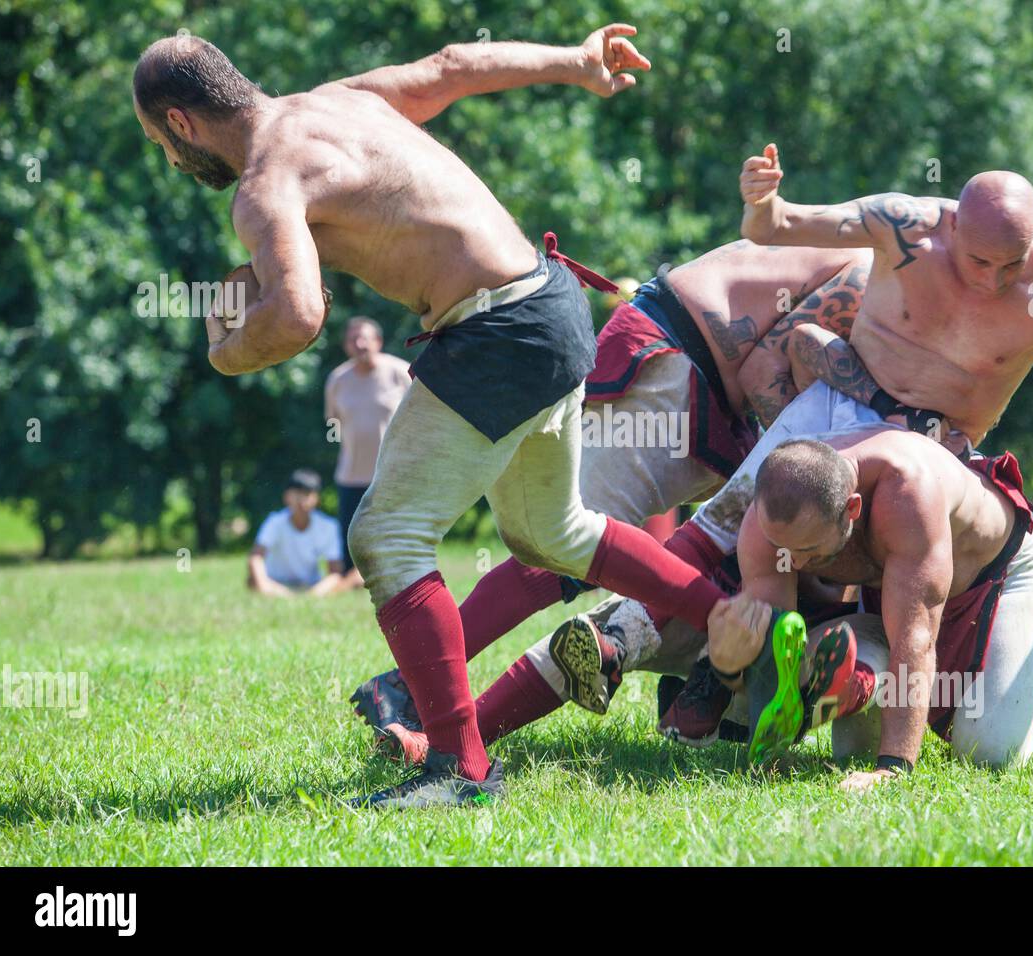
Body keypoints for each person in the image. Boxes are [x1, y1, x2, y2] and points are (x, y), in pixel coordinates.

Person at [133, 28, 771, 809]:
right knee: (557, 533)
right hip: (552, 302)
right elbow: (453, 67)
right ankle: (736, 621)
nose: (169, 162)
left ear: (182, 122)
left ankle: (461, 771)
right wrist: (575, 61)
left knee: (386, 536)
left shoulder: (263, 185)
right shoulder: (338, 101)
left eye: (160, 144)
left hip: (495, 331)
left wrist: (225, 350)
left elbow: (298, 316)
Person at [351, 241, 874, 752]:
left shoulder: (889, 274)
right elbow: (765, 371)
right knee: (560, 543)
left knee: (597, 545)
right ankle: (410, 693)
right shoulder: (872, 274)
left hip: (700, 387)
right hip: (677, 365)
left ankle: (691, 673)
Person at [733, 143, 1033, 548]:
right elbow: (775, 226)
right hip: (843, 400)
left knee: (880, 560)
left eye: (1013, 264)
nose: (994, 280)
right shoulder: (903, 226)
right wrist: (763, 198)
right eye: (980, 261)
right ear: (952, 224)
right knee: (738, 517)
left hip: (940, 446)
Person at [707, 431, 1033, 785]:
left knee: (988, 752)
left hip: (1003, 571)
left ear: (852, 509)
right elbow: (777, 654)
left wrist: (892, 768)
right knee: (851, 752)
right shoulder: (769, 521)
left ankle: (1020, 729)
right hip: (900, 587)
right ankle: (859, 682)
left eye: (809, 549)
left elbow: (915, 639)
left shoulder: (908, 495)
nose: (793, 562)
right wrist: (730, 673)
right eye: (782, 548)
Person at [324, 315, 412, 590]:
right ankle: (353, 587)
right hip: (350, 475)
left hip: (392, 474)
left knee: (397, 537)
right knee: (353, 540)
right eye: (353, 339)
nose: (360, 344)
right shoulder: (338, 379)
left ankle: (402, 584)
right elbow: (333, 423)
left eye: (365, 337)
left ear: (378, 341)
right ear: (346, 346)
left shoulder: (401, 373)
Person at [247, 469, 344, 596]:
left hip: (311, 584)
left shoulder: (328, 526)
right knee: (251, 581)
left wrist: (314, 594)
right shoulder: (274, 522)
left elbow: (335, 573)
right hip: (276, 583)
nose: (302, 499)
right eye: (297, 493)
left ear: (317, 498)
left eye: (308, 493)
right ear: (286, 496)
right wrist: (264, 585)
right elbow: (256, 557)